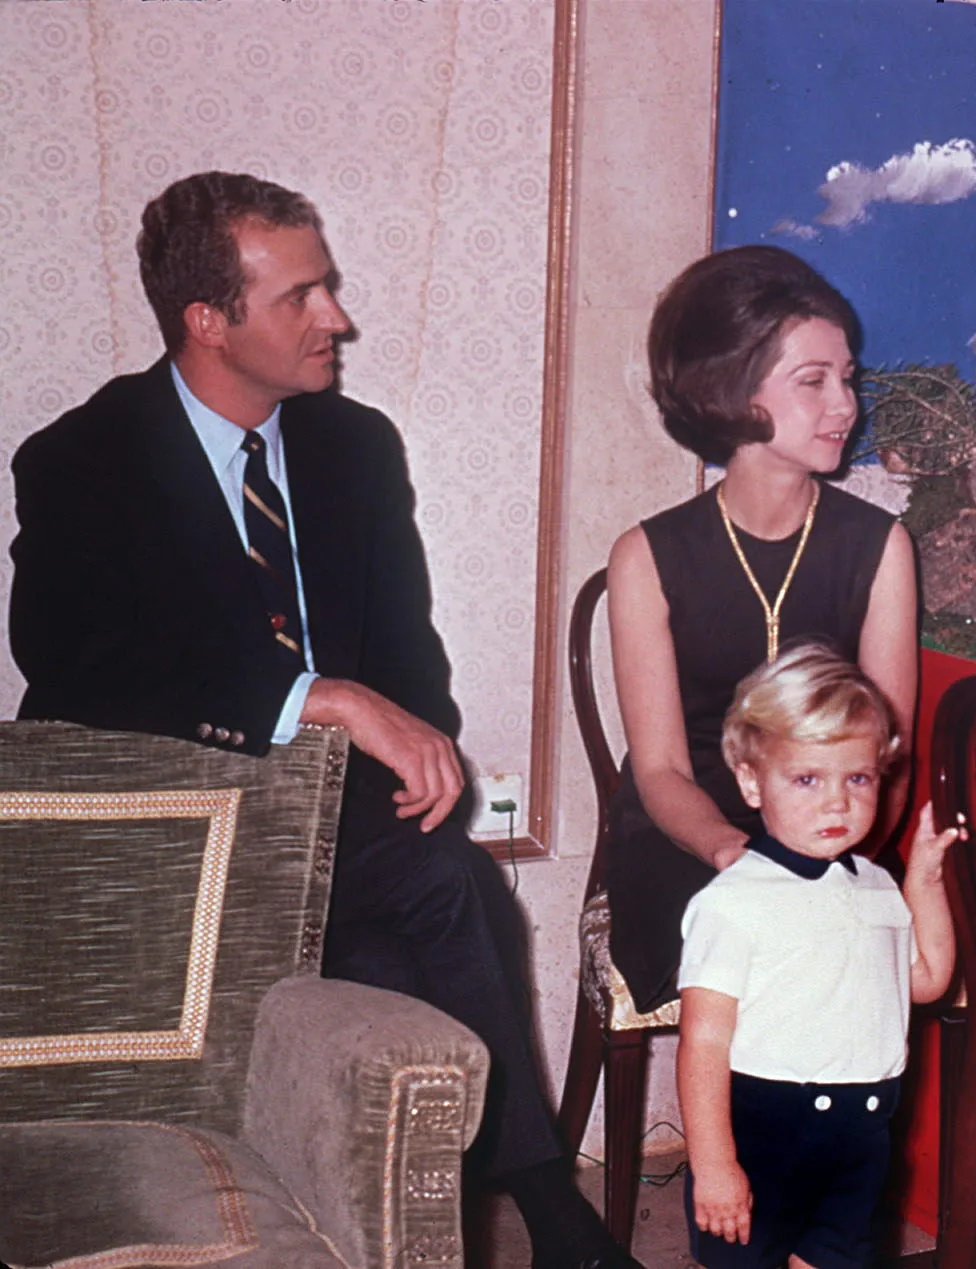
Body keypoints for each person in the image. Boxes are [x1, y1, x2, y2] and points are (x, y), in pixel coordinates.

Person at [8, 172, 625, 1269]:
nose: (334, 318)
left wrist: (412, 760)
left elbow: (410, 666)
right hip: (176, 846)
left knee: (437, 895)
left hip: (336, 832)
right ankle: (548, 1205)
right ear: (209, 320)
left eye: (326, 288)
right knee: (432, 914)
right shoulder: (82, 460)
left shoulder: (354, 447)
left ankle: (519, 1206)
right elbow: (72, 666)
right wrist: (314, 698)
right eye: (302, 295)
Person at [604, 245, 919, 1013]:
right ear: (730, 387)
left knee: (826, 935)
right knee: (750, 931)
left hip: (839, 829)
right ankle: (723, 1138)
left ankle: (817, 1135)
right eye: (813, 381)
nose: (845, 404)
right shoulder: (646, 556)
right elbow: (660, 771)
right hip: (690, 842)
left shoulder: (879, 546)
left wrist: (828, 856)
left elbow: (889, 754)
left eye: (847, 378)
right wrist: (735, 851)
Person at [677, 642, 959, 1269]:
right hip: (764, 1132)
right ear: (752, 781)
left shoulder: (877, 885)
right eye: (807, 779)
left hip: (860, 1138)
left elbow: (928, 980)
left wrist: (925, 882)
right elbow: (702, 1044)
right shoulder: (734, 902)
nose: (837, 801)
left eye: (857, 778)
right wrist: (715, 1165)